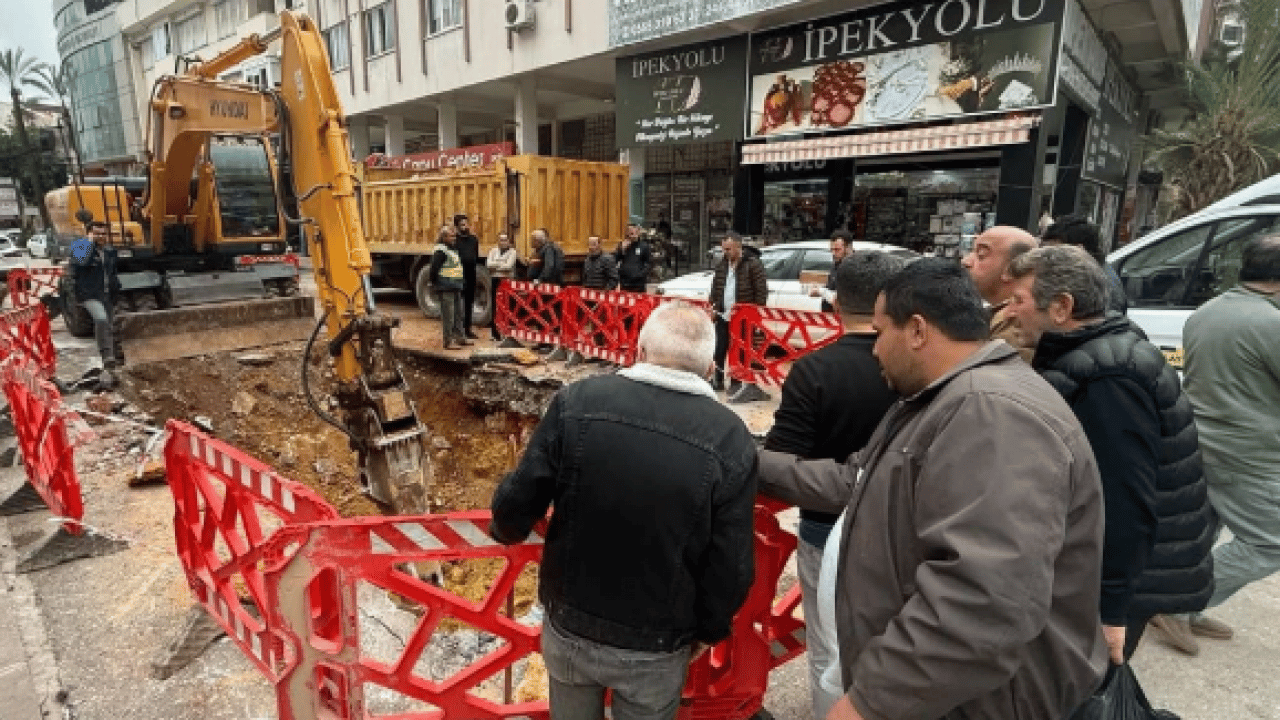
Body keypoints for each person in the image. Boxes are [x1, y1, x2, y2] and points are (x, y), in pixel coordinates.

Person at [758, 258, 1108, 720]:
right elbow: (854, 481)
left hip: (978, 704)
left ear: (918, 330)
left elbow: (982, 600)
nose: (875, 350)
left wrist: (872, 702)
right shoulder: (942, 399)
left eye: (881, 333)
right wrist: (747, 460)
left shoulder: (992, 414)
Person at [489, 300, 757, 720]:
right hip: (657, 644)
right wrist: (709, 629)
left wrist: (505, 530)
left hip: (571, 625)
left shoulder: (577, 401)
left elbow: (521, 497)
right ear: (709, 370)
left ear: (639, 351)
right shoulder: (730, 439)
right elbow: (732, 562)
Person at [1005, 244, 1215, 663]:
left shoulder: (1109, 377)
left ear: (1062, 307)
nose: (1008, 311)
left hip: (1119, 581)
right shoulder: (1098, 354)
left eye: (1018, 300)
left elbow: (1122, 501)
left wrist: (1109, 606)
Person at [763, 251, 906, 720]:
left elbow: (785, 458)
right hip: (904, 530)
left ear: (836, 301)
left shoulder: (815, 370)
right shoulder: (923, 367)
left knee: (829, 650)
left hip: (827, 527)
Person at [1149, 234, 1280, 655]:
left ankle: (1183, 607)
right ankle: (1177, 602)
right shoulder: (1270, 324)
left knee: (1203, 530)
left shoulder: (1208, 311)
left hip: (1203, 437)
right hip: (1249, 451)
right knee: (1268, 543)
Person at [959, 225, 1038, 360]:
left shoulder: (1015, 325)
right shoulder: (994, 316)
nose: (966, 261)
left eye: (981, 255)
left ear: (1010, 269)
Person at [709, 231, 770, 403]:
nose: (725, 252)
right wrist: (714, 306)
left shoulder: (752, 264)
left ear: (738, 247)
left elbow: (761, 291)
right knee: (719, 348)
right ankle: (718, 380)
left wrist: (756, 315)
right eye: (724, 249)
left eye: (728, 249)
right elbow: (716, 286)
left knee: (740, 351)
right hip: (723, 314)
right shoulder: (722, 264)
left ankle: (736, 382)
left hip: (743, 318)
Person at [70, 221, 122, 389]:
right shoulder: (80, 247)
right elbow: (82, 262)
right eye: (97, 233)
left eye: (103, 234)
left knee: (110, 324)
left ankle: (114, 359)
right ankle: (107, 357)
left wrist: (116, 287)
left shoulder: (110, 251)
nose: (101, 237)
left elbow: (112, 272)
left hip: (107, 294)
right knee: (100, 319)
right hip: (89, 294)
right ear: (89, 234)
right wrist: (89, 243)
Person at [1040, 215, 1128, 315]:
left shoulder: (1102, 287)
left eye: (1056, 252)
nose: (1050, 259)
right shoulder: (1082, 273)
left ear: (1078, 249)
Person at [428, 224, 470, 350]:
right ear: (444, 237)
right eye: (451, 236)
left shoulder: (452, 249)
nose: (454, 238)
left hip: (455, 286)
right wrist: (434, 284)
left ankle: (460, 338)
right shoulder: (441, 251)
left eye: (454, 236)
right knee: (449, 316)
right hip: (446, 286)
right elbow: (434, 269)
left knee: (458, 314)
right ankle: (448, 341)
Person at [486, 232, 519, 341]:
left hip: (507, 282)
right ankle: (494, 333)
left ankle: (507, 333)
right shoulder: (493, 251)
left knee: (508, 306)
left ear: (509, 242)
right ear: (498, 241)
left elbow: (508, 266)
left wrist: (495, 265)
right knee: (495, 306)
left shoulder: (513, 252)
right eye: (501, 240)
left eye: (505, 240)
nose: (503, 242)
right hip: (495, 280)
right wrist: (501, 263)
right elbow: (488, 265)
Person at [809, 230, 852, 313]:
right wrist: (819, 290)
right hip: (830, 315)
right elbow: (831, 287)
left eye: (837, 250)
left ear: (848, 248)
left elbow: (845, 297)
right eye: (832, 249)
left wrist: (821, 291)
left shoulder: (855, 266)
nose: (833, 253)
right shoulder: (836, 264)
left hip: (845, 317)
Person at [453, 214, 481, 340]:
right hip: (458, 275)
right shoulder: (454, 240)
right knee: (458, 304)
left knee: (469, 302)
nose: (465, 227)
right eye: (462, 225)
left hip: (471, 274)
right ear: (457, 226)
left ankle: (468, 329)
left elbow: (475, 255)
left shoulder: (473, 239)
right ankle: (457, 330)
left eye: (466, 224)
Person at [615, 221, 652, 293]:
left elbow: (648, 263)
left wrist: (640, 275)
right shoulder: (622, 245)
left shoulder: (644, 246)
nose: (630, 235)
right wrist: (621, 249)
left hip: (638, 283)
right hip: (625, 282)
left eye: (632, 233)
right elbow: (615, 260)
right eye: (629, 232)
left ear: (638, 232)